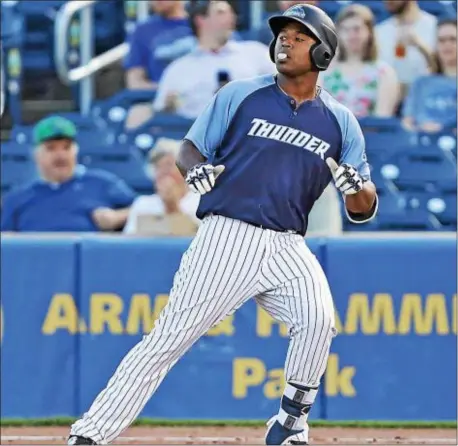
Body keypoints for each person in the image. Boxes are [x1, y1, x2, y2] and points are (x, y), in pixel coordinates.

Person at [68, 4, 377, 445]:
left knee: (318, 319)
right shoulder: (241, 94)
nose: (286, 40)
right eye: (282, 33)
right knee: (167, 342)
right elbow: (190, 148)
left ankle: (290, 423)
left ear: (324, 53)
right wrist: (195, 169)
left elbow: (363, 208)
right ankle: (90, 434)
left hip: (288, 243)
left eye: (299, 35)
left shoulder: (340, 121)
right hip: (228, 234)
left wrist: (356, 187)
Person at [1, 116, 136, 232]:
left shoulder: (102, 183)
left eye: (67, 147)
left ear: (76, 151)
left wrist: (117, 217)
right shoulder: (18, 197)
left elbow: (146, 209)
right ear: (36, 155)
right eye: (51, 148)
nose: (61, 155)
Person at [152, 0, 275, 119]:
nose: (231, 17)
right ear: (200, 20)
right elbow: (161, 111)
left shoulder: (256, 52)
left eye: (231, 12)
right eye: (221, 12)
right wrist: (169, 107)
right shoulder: (178, 68)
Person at [321, 4, 399, 118]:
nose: (351, 35)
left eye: (357, 29)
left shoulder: (385, 73)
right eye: (345, 30)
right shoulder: (324, 72)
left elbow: (382, 119)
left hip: (369, 134)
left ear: (369, 32)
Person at [123, 138, 200, 236]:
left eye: (168, 165)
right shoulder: (142, 204)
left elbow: (199, 242)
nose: (163, 172)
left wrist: (172, 208)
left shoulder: (203, 203)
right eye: (158, 167)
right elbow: (129, 244)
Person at [402, 18, 457, 133]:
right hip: (421, 144)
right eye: (441, 40)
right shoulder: (421, 82)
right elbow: (407, 122)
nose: (447, 45)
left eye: (453, 39)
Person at [124, 1, 191, 91]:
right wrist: (164, 91)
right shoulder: (142, 30)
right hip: (158, 98)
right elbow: (134, 82)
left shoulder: (202, 22)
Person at [375, 0, 437, 98]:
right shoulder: (378, 32)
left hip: (426, 97)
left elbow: (445, 70)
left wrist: (420, 46)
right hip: (389, 100)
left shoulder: (435, 27)